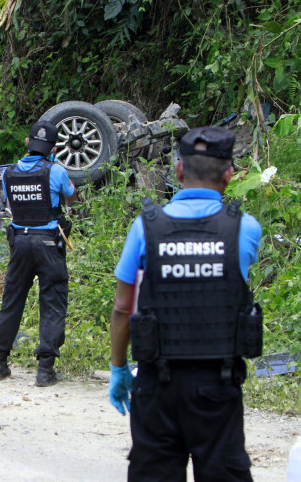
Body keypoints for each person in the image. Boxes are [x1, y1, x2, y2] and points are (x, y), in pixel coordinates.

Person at [108, 125, 263, 480]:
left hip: (156, 383)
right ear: (230, 174)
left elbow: (122, 309)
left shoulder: (144, 227)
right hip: (218, 383)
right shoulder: (245, 228)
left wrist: (118, 369)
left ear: (178, 171)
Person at [0, 120, 77, 387]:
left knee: (11, 301)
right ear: (53, 148)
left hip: (20, 243)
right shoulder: (56, 171)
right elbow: (71, 195)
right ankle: (45, 371)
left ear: (28, 143)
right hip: (49, 243)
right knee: (52, 303)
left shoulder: (9, 173)